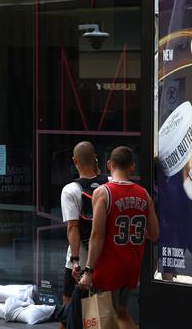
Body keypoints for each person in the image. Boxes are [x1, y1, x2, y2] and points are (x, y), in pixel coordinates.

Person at [79, 146, 159, 329]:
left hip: (108, 268)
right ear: (132, 167)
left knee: (98, 321)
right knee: (121, 313)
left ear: (109, 165)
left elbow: (97, 236)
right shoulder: (144, 194)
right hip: (131, 267)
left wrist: (88, 270)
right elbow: (154, 234)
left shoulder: (103, 192)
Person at [59, 141, 108, 329]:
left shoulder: (70, 190)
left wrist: (75, 260)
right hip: (102, 258)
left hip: (80, 259)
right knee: (96, 310)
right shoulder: (109, 184)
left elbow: (73, 227)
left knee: (68, 304)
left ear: (74, 161)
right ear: (95, 158)